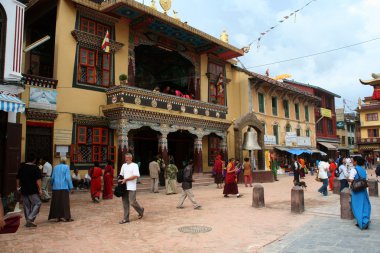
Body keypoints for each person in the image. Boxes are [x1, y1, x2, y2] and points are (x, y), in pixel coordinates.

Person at [16, 153, 42, 228]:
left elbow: (18, 178)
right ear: (34, 160)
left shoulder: (22, 167)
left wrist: (18, 187)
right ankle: (30, 219)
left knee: (26, 205)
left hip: (24, 188)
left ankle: (28, 220)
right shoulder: (35, 168)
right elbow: (38, 180)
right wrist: (40, 189)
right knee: (37, 203)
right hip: (32, 189)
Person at [119, 153, 144, 224]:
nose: (126, 159)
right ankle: (126, 218)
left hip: (131, 186)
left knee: (132, 202)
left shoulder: (135, 165)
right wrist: (119, 179)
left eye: (127, 158)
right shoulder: (123, 165)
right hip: (124, 186)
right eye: (125, 157)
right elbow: (121, 174)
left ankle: (140, 210)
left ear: (131, 158)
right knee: (125, 203)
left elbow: (136, 175)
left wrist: (126, 179)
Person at [349, 156, 371, 230]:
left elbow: (351, 180)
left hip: (356, 191)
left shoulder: (354, 170)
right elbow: (366, 180)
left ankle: (361, 222)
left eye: (353, 161)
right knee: (365, 205)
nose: (352, 162)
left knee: (357, 206)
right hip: (363, 190)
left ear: (356, 162)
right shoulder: (364, 170)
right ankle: (365, 220)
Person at [48, 157, 74, 222]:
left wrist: (51, 184)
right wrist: (71, 187)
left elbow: (52, 177)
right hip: (64, 187)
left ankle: (57, 217)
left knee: (56, 202)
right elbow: (68, 178)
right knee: (65, 203)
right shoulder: (66, 167)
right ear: (65, 161)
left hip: (56, 187)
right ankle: (66, 217)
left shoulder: (55, 167)